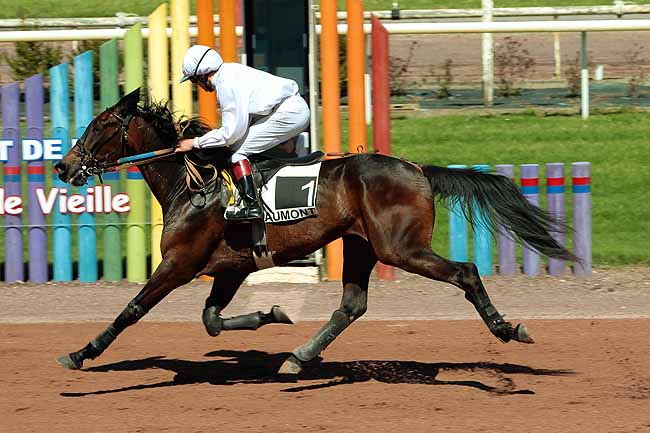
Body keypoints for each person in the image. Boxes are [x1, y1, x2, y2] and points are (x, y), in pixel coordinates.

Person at [175, 45, 310, 222]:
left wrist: (195, 142)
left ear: (202, 75)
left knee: (237, 152)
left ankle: (251, 205)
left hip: (288, 113)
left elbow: (231, 134)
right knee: (240, 145)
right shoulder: (230, 71)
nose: (198, 86)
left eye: (194, 81)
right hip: (289, 109)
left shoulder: (226, 85)